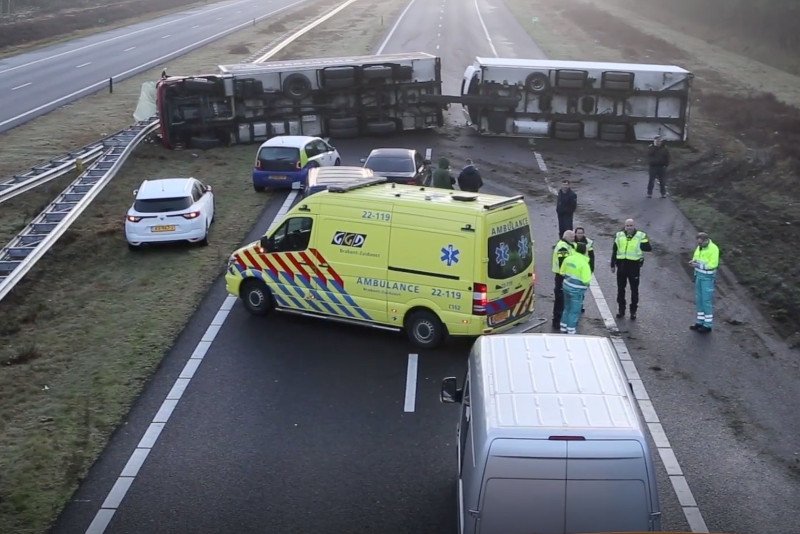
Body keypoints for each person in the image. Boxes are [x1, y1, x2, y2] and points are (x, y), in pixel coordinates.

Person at [610, 219, 652, 320]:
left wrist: (644, 242)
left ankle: (633, 311)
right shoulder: (619, 235)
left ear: (634, 226)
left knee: (634, 290)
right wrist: (612, 264)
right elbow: (615, 250)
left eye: (631, 225)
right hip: (621, 265)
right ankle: (621, 310)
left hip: (634, 266)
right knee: (620, 289)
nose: (629, 227)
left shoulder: (640, 235)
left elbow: (648, 248)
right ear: (625, 226)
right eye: (627, 226)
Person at [689, 232, 720, 333]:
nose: (699, 245)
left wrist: (698, 266)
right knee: (699, 300)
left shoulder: (714, 249)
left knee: (706, 301)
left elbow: (713, 264)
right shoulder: (700, 247)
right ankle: (700, 321)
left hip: (707, 278)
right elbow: (696, 257)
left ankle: (707, 325)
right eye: (698, 243)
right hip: (699, 276)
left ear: (706, 240)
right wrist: (693, 261)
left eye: (701, 243)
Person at [559, 242, 592, 334]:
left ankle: (563, 327)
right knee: (574, 311)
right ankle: (571, 330)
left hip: (566, 286)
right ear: (585, 251)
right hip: (577, 290)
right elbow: (586, 280)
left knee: (567, 308)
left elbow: (562, 272)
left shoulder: (568, 259)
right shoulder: (584, 264)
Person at [551, 230, 575, 330]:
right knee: (560, 299)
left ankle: (559, 320)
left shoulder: (567, 245)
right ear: (567, 237)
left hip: (563, 275)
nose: (574, 238)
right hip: (562, 276)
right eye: (572, 237)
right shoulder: (563, 247)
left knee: (562, 298)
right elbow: (563, 263)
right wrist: (567, 274)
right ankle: (557, 321)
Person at [574, 226, 595, 313]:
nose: (580, 235)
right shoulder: (571, 241)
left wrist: (591, 269)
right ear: (575, 233)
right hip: (574, 268)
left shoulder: (588, 242)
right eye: (578, 233)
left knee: (581, 288)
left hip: (583, 268)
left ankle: (580, 304)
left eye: (581, 233)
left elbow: (592, 256)